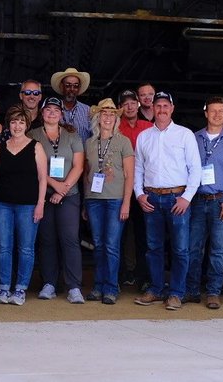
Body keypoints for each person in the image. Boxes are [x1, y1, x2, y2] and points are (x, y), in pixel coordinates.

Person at [133, 91, 201, 310]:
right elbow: (138, 168)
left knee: (180, 249)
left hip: (176, 198)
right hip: (152, 198)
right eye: (158, 106)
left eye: (165, 106)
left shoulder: (185, 134)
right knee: (153, 247)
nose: (161, 110)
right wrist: (139, 194)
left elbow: (195, 169)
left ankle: (176, 293)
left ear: (172, 109)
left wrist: (186, 198)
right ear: (152, 108)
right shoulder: (144, 136)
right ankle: (155, 288)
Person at [185, 96, 223, 310]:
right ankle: (192, 290)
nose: (218, 114)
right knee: (193, 248)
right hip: (198, 201)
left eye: (222, 111)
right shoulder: (194, 138)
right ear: (206, 113)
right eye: (213, 111)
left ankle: (213, 292)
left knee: (218, 250)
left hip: (222, 202)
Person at [0, 106, 47, 306]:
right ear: (8, 125)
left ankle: (20, 289)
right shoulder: (0, 147)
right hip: (2, 204)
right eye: (14, 122)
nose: (17, 126)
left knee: (26, 248)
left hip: (28, 205)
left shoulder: (36, 147)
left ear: (27, 125)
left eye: (21, 122)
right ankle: (4, 288)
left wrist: (40, 204)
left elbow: (42, 178)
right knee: (4, 247)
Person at [31, 96, 86, 303]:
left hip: (69, 194)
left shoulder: (72, 135)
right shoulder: (33, 135)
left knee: (70, 239)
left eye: (56, 110)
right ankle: (49, 283)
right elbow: (34, 167)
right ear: (42, 113)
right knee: (47, 240)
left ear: (62, 114)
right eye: (48, 110)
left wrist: (62, 190)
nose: (52, 113)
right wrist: (54, 187)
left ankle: (73, 286)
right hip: (44, 194)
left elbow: (79, 166)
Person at [83, 98, 134, 304]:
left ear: (116, 119)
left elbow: (130, 175)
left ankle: (111, 288)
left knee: (112, 245)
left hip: (115, 199)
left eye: (112, 114)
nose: (108, 118)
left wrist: (126, 203)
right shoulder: (89, 142)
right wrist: (86, 202)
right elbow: (86, 174)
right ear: (97, 118)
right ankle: (98, 285)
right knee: (99, 244)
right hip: (94, 200)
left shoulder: (123, 141)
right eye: (104, 114)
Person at [117, 88, 151, 291]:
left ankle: (143, 277)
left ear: (138, 104)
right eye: (125, 103)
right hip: (119, 187)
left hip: (142, 188)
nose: (129, 106)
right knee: (118, 236)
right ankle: (120, 276)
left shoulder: (148, 127)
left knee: (143, 235)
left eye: (132, 103)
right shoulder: (115, 127)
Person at [51, 67, 92, 140]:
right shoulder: (52, 110)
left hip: (83, 151)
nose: (72, 89)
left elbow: (95, 137)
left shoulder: (87, 110)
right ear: (61, 86)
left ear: (79, 88)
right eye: (68, 85)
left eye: (75, 86)